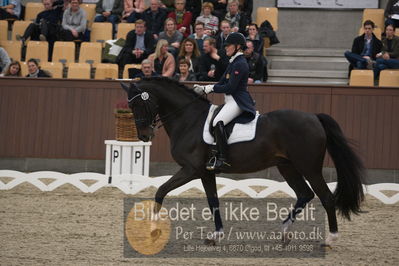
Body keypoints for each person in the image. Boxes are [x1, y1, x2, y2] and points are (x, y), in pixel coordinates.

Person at [193, 32, 256, 172]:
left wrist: (210, 89)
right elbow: (221, 81)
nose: (226, 48)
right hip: (230, 101)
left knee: (217, 121)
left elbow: (230, 87)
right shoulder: (233, 61)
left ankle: (223, 158)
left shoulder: (240, 63)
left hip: (237, 102)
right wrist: (205, 88)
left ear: (238, 46)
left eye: (229, 45)